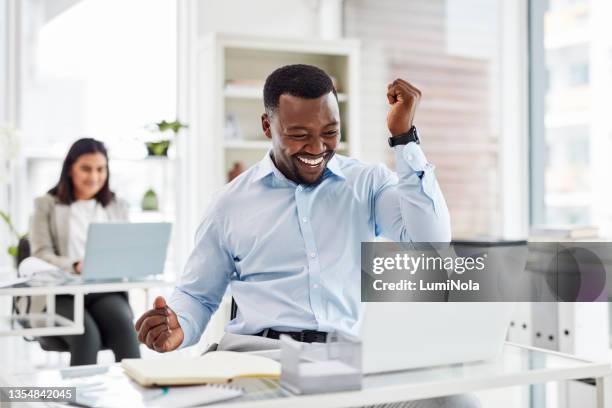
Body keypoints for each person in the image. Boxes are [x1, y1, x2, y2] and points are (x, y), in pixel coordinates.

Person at [136, 65, 477, 407]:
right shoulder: (229, 204)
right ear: (268, 126)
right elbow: (197, 295)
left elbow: (430, 243)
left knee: (454, 402)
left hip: (347, 363)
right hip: (260, 363)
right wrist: (178, 325)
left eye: (330, 132)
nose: (317, 147)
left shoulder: (367, 183)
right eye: (299, 134)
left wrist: (404, 138)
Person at [29, 138, 140, 366]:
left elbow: (126, 249)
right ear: (70, 169)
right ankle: (78, 401)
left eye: (100, 169)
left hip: (104, 290)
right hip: (60, 292)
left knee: (125, 329)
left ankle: (138, 398)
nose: (94, 177)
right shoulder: (46, 205)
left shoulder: (116, 205)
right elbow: (40, 254)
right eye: (86, 169)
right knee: (86, 335)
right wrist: (74, 265)